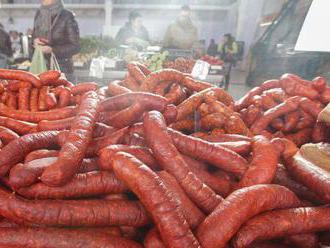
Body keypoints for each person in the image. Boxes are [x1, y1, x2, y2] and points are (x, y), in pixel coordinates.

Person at [33, 0, 80, 82]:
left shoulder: (66, 15)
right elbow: (34, 36)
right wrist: (34, 41)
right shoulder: (39, 14)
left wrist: (52, 50)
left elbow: (75, 46)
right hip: (41, 67)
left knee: (61, 94)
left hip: (62, 69)